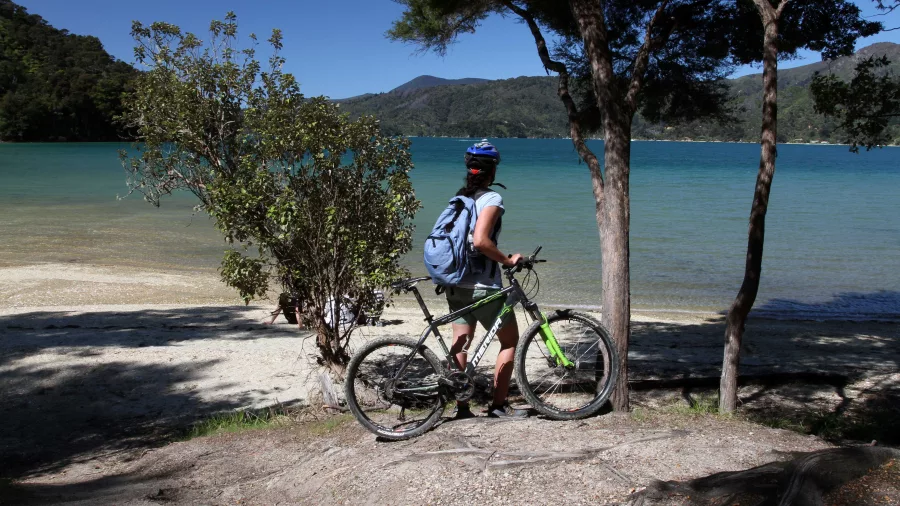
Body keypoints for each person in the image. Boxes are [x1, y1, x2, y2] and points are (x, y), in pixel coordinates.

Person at [447, 140, 526, 419]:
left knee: (461, 343)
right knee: (509, 341)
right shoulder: (491, 199)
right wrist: (507, 259)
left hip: (455, 283)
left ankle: (462, 408)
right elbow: (481, 241)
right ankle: (498, 406)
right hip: (483, 287)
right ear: (492, 172)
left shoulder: (460, 198)